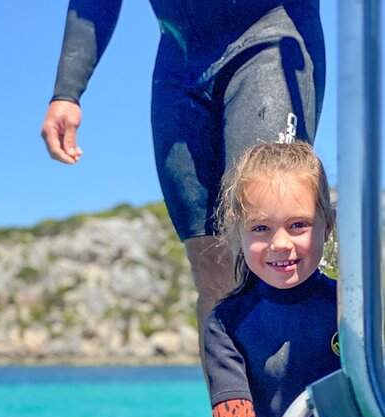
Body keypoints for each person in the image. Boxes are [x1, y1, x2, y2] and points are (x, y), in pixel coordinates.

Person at [40, 1, 326, 353]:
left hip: (269, 37)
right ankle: (231, 404)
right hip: (180, 61)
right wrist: (67, 92)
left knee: (274, 235)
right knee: (210, 263)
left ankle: (303, 392)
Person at [204, 141, 340, 417]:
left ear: (327, 225)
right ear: (238, 231)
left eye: (298, 225)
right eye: (261, 228)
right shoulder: (225, 324)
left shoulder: (352, 309)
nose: (279, 243)